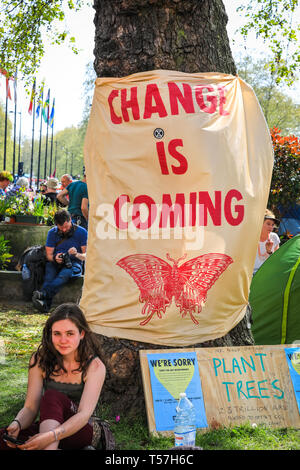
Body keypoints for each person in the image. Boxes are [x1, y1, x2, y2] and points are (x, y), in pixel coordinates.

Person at [0, 303, 106, 450]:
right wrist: (17, 423)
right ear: (50, 333)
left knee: (52, 396)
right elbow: (30, 408)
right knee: (5, 438)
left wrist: (49, 436)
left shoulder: (95, 366)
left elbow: (83, 415)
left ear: (82, 334)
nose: (63, 340)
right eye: (57, 333)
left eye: (70, 333)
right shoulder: (39, 360)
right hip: (48, 426)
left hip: (81, 430)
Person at [32, 210, 87, 313]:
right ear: (56, 225)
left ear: (70, 220)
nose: (65, 230)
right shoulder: (52, 233)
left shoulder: (82, 232)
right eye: (61, 228)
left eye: (66, 226)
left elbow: (86, 256)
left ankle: (43, 295)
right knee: (49, 277)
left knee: (64, 275)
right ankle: (45, 307)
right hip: (55, 262)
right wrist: (55, 258)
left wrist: (76, 254)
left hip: (74, 263)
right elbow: (48, 255)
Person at [253, 209, 280, 275]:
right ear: (260, 223)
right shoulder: (252, 237)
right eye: (268, 224)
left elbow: (277, 261)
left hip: (267, 274)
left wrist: (269, 251)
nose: (271, 227)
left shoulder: (274, 237)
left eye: (273, 225)